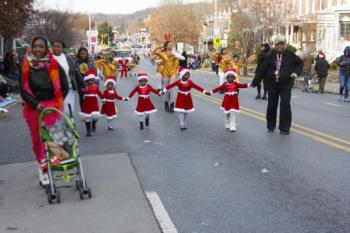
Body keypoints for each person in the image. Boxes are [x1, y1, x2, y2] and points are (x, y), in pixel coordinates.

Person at [20, 36, 69, 185]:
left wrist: (56, 103)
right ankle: (42, 167)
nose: (37, 49)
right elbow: (23, 88)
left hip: (53, 106)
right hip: (35, 107)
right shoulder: (26, 63)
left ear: (46, 48)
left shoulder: (53, 63)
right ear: (32, 47)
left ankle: (52, 163)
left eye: (41, 47)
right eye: (35, 46)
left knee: (55, 138)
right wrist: (35, 104)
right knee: (38, 140)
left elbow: (64, 85)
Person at [252, 35, 303, 135]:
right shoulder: (270, 55)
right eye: (278, 44)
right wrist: (255, 82)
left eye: (281, 44)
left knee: (285, 104)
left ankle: (284, 128)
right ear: (275, 45)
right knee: (272, 105)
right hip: (272, 83)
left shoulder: (289, 54)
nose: (280, 46)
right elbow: (262, 69)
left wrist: (295, 73)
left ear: (284, 45)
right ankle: (271, 125)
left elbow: (300, 63)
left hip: (286, 83)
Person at [52, 41, 85, 115]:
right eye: (55, 46)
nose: (56, 48)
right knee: (57, 110)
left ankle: (70, 123)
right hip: (54, 90)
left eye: (59, 46)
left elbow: (75, 71)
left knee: (68, 110)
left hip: (68, 88)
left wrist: (83, 84)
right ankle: (60, 125)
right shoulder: (49, 58)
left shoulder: (67, 57)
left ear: (62, 48)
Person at [152, 41, 185, 112]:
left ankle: (172, 105)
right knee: (166, 89)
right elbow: (153, 52)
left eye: (172, 45)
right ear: (166, 46)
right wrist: (160, 47)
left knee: (171, 89)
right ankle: (166, 103)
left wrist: (175, 54)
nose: (171, 46)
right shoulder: (162, 53)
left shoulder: (174, 53)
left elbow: (183, 58)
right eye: (170, 45)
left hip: (173, 72)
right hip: (165, 72)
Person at [79, 69, 102, 137]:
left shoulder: (95, 87)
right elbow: (81, 93)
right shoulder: (85, 87)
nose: (92, 81)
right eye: (90, 80)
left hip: (94, 104)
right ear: (87, 81)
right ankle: (88, 130)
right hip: (87, 105)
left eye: (93, 80)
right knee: (87, 118)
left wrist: (103, 99)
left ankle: (94, 124)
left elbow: (100, 93)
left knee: (96, 116)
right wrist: (83, 90)